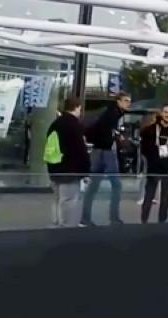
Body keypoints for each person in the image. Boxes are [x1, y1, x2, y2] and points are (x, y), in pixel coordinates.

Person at [81, 93, 131, 225]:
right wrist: (114, 138)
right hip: (106, 151)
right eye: (125, 100)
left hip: (98, 150)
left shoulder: (108, 111)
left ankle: (85, 217)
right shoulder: (113, 113)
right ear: (118, 101)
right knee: (116, 185)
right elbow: (106, 131)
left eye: (129, 101)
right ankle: (114, 218)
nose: (128, 103)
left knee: (93, 185)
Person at [44, 97, 90, 228]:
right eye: (80, 109)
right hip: (70, 169)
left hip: (54, 167)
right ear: (77, 107)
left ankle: (56, 224)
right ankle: (67, 227)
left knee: (58, 198)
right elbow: (81, 150)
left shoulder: (55, 124)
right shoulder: (74, 125)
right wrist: (86, 171)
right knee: (69, 199)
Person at [139, 103, 168, 224]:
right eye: (166, 112)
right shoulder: (150, 129)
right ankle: (144, 221)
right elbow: (144, 148)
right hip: (153, 167)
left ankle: (162, 222)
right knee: (148, 197)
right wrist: (153, 158)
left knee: (165, 199)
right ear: (161, 113)